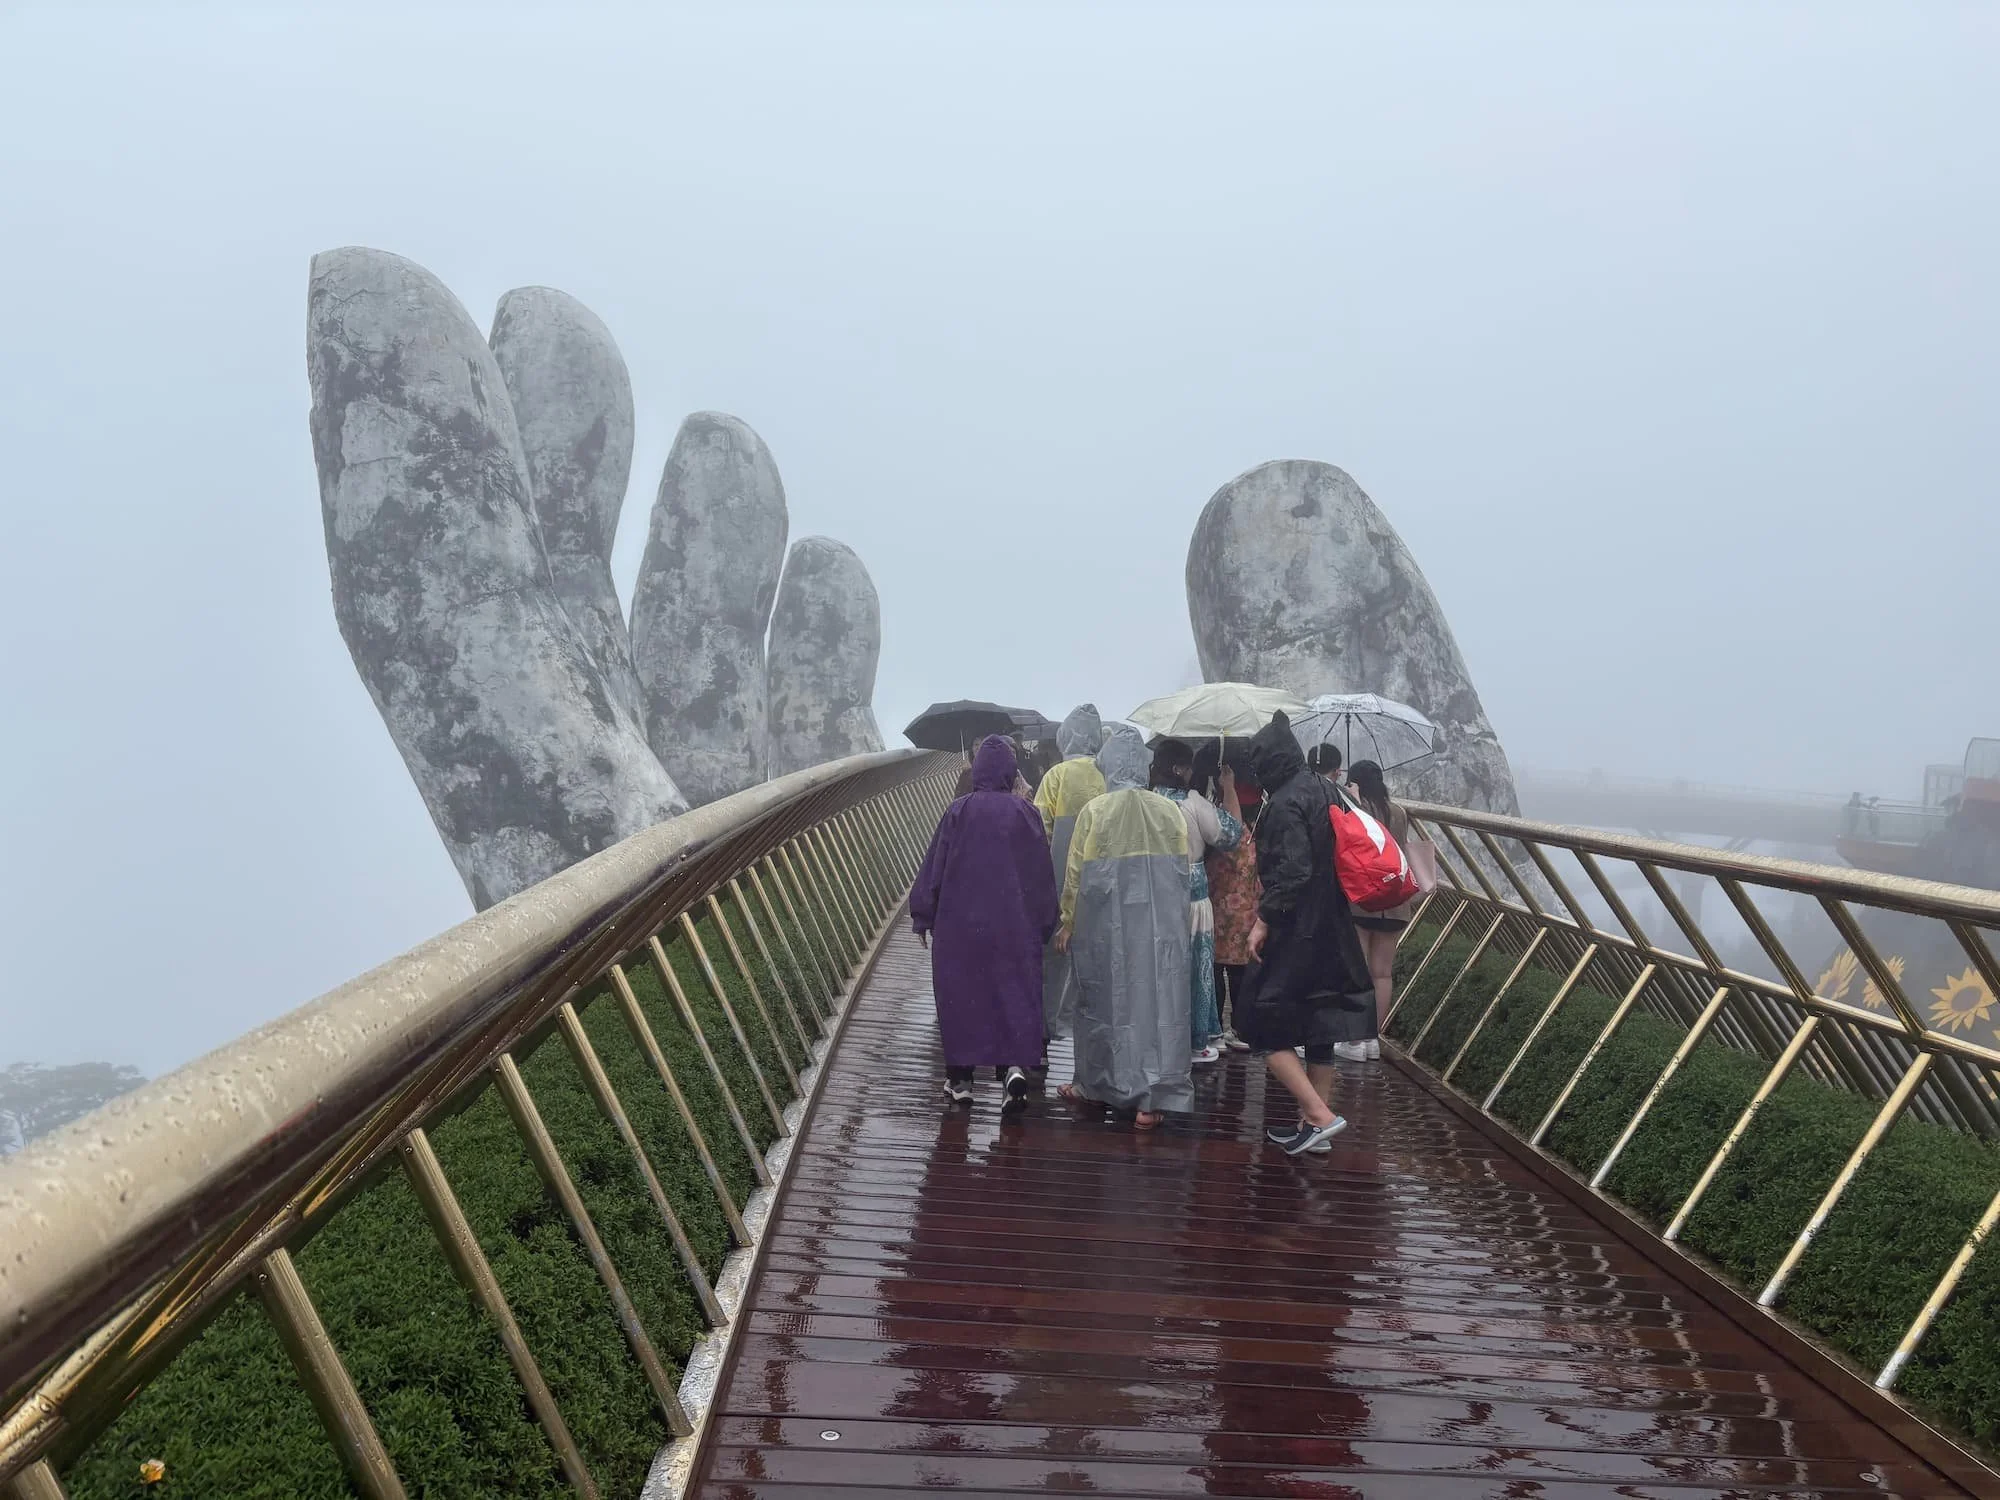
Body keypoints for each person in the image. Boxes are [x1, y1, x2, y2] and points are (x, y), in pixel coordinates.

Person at [1238, 712, 1375, 1155]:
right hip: (1334, 922)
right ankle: (1313, 1129)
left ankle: (1319, 1114)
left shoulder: (1283, 802)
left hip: (1298, 928)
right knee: (1322, 1022)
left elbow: (1292, 872)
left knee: (1259, 1019)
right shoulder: (1323, 786)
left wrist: (1263, 921)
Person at [1054, 723, 1193, 1130]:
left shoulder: (1095, 811)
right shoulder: (1170, 811)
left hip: (1104, 929)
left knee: (1101, 1003)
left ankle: (1094, 1085)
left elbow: (1075, 874)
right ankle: (1152, 1100)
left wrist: (1067, 922)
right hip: (1161, 929)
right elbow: (1183, 874)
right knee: (1158, 1004)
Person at [910, 736, 1060, 1109]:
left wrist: (922, 915)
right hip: (1014, 926)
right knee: (1015, 994)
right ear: (1011, 772)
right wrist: (1046, 921)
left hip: (959, 927)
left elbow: (935, 867)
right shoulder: (1027, 813)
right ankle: (1013, 1067)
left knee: (959, 997)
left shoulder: (957, 812)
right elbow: (1041, 875)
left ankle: (960, 1080)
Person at [1148, 738, 1244, 1064]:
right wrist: (1228, 788)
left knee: (1159, 966)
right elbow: (1230, 835)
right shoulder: (1192, 802)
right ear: (1179, 769)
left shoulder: (1145, 800)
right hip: (1191, 891)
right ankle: (1194, 1040)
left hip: (1153, 891)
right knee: (1194, 966)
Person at [1031, 704, 1106, 1045]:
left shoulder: (1056, 776)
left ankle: (1045, 1030)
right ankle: (1092, 1037)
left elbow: (1037, 830)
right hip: (1103, 882)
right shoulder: (1110, 773)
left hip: (1056, 880)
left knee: (1053, 961)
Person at [1342, 759, 1416, 1059]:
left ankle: (1354, 1040)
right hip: (1395, 901)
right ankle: (1373, 1039)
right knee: (1382, 974)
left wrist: (1351, 801)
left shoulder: (1356, 811)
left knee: (1357, 971)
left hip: (1364, 900)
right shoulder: (1398, 812)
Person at [1206, 757, 1262, 1050]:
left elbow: (1231, 823)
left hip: (1217, 906)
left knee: (1215, 968)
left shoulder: (1226, 826)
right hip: (1248, 910)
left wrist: (1225, 785)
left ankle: (1215, 1027)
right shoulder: (1260, 830)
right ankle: (1240, 1029)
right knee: (1241, 971)